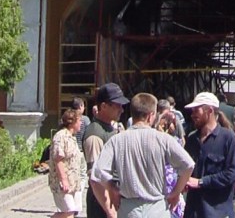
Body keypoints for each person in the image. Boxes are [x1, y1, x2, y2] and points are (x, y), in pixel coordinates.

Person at [91, 92, 194, 218]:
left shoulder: (116, 140)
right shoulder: (163, 139)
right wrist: (176, 192)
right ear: (151, 116)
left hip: (128, 209)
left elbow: (96, 177)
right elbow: (188, 165)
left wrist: (111, 192)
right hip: (157, 208)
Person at [183, 91, 235, 218]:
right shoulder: (192, 139)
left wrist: (201, 182)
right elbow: (185, 169)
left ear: (209, 111)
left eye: (196, 111)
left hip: (217, 212)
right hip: (193, 211)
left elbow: (232, 173)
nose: (192, 115)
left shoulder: (228, 138)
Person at [83, 82, 129, 218]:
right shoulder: (95, 134)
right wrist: (110, 211)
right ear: (103, 106)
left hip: (113, 199)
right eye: (117, 106)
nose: (121, 109)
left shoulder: (111, 128)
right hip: (102, 203)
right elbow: (96, 178)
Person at [48, 107, 83, 218]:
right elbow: (58, 159)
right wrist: (64, 180)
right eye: (79, 120)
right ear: (72, 122)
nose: (81, 123)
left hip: (73, 183)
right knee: (68, 211)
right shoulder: (61, 136)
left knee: (71, 212)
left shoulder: (71, 137)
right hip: (63, 183)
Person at [156, 109, 186, 218]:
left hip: (171, 177)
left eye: (172, 123)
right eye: (167, 123)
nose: (169, 126)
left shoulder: (175, 141)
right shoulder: (157, 139)